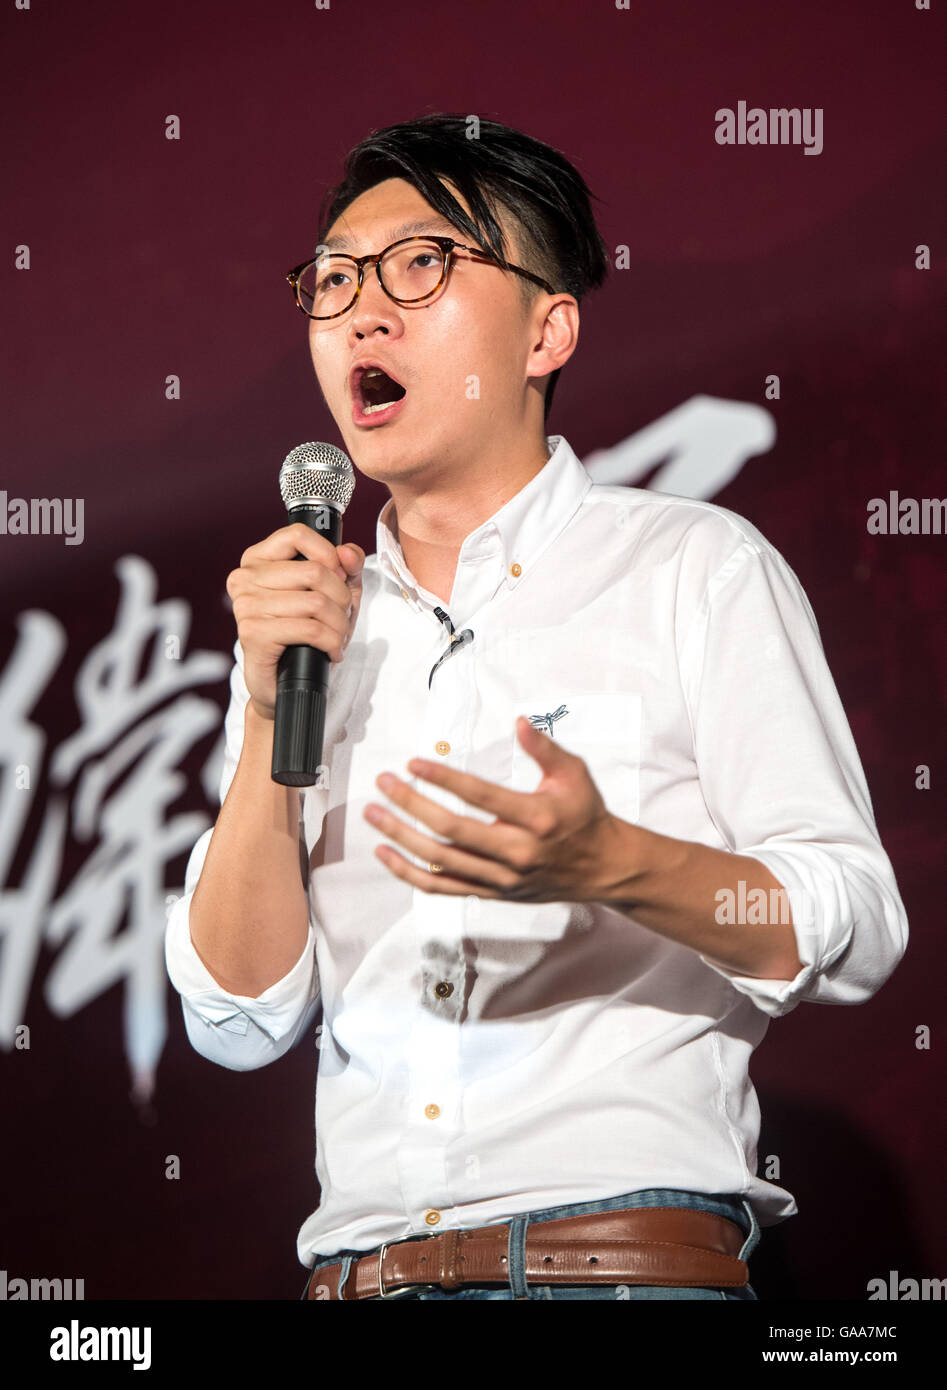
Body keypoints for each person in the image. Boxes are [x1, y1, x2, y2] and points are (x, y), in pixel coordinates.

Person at [164, 113, 908, 1301]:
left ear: (544, 329)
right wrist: (263, 714)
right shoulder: (306, 620)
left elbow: (857, 923)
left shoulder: (690, 566)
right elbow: (236, 1020)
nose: (364, 311)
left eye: (422, 265)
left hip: (616, 1270)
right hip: (355, 1278)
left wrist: (615, 862)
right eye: (336, 279)